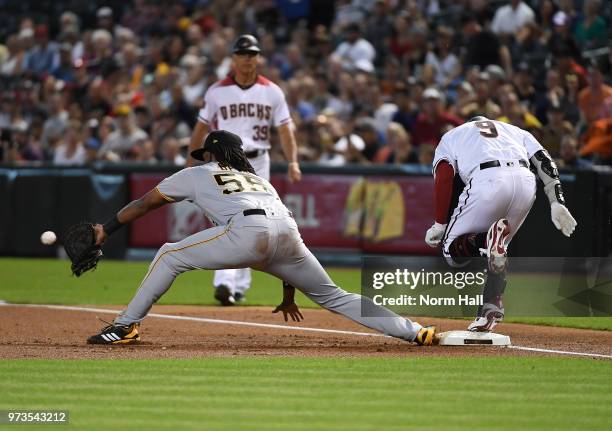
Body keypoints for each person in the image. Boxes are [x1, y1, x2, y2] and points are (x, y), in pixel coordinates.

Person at [86, 130, 436, 346]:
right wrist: (288, 290)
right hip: (287, 235)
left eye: (205, 153)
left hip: (249, 232)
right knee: (335, 295)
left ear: (211, 154)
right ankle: (412, 330)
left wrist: (106, 229)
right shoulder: (260, 181)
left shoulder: (198, 172)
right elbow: (278, 236)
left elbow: (145, 203)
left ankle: (124, 326)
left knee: (169, 254)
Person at [425, 117, 577, 332]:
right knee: (498, 250)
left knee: (452, 251)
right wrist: (557, 201)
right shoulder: (514, 130)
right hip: (525, 181)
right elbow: (544, 161)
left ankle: (486, 240)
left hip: (487, 179)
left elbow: (444, 176)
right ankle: (490, 308)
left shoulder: (453, 134)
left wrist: (440, 224)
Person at [187, 34, 302, 306]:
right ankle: (226, 282)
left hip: (258, 160)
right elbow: (200, 129)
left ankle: (238, 286)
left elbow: (286, 130)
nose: (248, 58)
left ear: (259, 57)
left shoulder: (272, 91)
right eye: (243, 53)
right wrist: (190, 162)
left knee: (256, 221)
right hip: (224, 161)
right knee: (229, 218)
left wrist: (293, 160)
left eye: (253, 53)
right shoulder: (216, 91)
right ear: (233, 58)